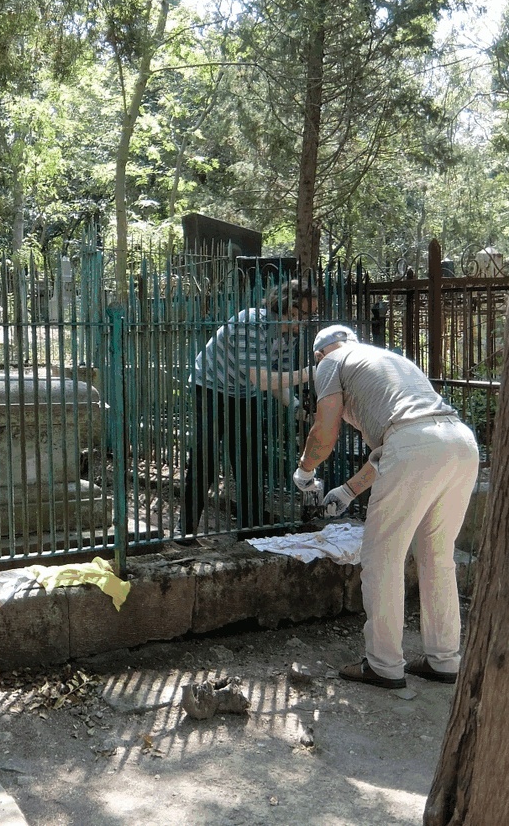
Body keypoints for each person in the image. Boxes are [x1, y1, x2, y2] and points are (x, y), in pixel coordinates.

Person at [293, 325, 479, 689]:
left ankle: (383, 665)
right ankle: (443, 660)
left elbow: (324, 430)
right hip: (459, 442)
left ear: (319, 355)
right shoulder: (388, 359)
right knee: (437, 556)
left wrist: (305, 471)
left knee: (382, 557)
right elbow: (395, 446)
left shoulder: (331, 362)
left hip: (416, 443)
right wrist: (347, 491)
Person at [180, 279, 318, 538]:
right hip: (210, 386)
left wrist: (296, 405)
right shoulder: (251, 322)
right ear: (288, 306)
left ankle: (250, 530)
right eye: (305, 313)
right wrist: (311, 373)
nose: (308, 321)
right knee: (205, 458)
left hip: (245, 392)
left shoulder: (290, 336)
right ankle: (185, 530)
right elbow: (263, 379)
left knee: (251, 461)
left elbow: (278, 379)